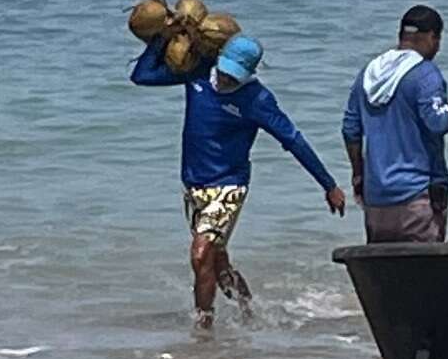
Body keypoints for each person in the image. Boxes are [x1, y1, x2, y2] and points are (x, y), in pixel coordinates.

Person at [132, 28, 344, 326]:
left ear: (249, 74)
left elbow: (293, 140)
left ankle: (203, 328)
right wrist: (161, 38)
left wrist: (329, 185)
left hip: (228, 186)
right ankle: (249, 310)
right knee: (217, 264)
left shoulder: (257, 99)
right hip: (193, 185)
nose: (226, 80)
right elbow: (142, 76)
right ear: (219, 60)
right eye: (224, 72)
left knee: (199, 255)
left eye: (235, 76)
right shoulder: (197, 73)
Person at [342, 5, 448, 241]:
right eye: (438, 40)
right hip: (417, 196)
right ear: (431, 36)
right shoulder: (425, 73)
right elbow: (439, 122)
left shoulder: (369, 73)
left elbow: (350, 129)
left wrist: (359, 174)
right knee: (422, 263)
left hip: (376, 198)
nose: (437, 47)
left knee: (381, 262)